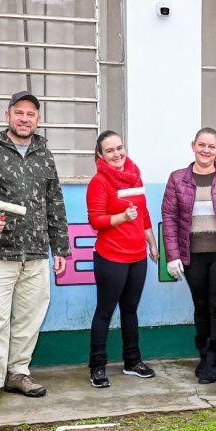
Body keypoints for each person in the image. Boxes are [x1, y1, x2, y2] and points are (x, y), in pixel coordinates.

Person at [0, 90, 70, 410]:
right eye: (19, 112)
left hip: (35, 254)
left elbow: (55, 203)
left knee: (29, 318)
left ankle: (18, 372)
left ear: (38, 119)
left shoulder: (44, 154)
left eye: (31, 114)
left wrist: (60, 248)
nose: (25, 118)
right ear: (8, 115)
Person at [161, 127, 216, 384]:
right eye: (202, 145)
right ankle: (204, 352)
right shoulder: (177, 178)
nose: (206, 150)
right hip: (192, 255)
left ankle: (214, 358)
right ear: (193, 145)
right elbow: (170, 218)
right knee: (200, 305)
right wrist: (173, 255)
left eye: (211, 146)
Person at [86, 130, 159, 388]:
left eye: (119, 148)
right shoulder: (99, 181)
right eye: (110, 150)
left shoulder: (134, 174)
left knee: (130, 310)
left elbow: (143, 213)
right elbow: (96, 220)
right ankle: (97, 367)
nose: (117, 154)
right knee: (104, 312)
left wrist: (151, 242)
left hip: (137, 256)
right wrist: (121, 218)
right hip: (111, 257)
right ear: (100, 155)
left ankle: (132, 361)